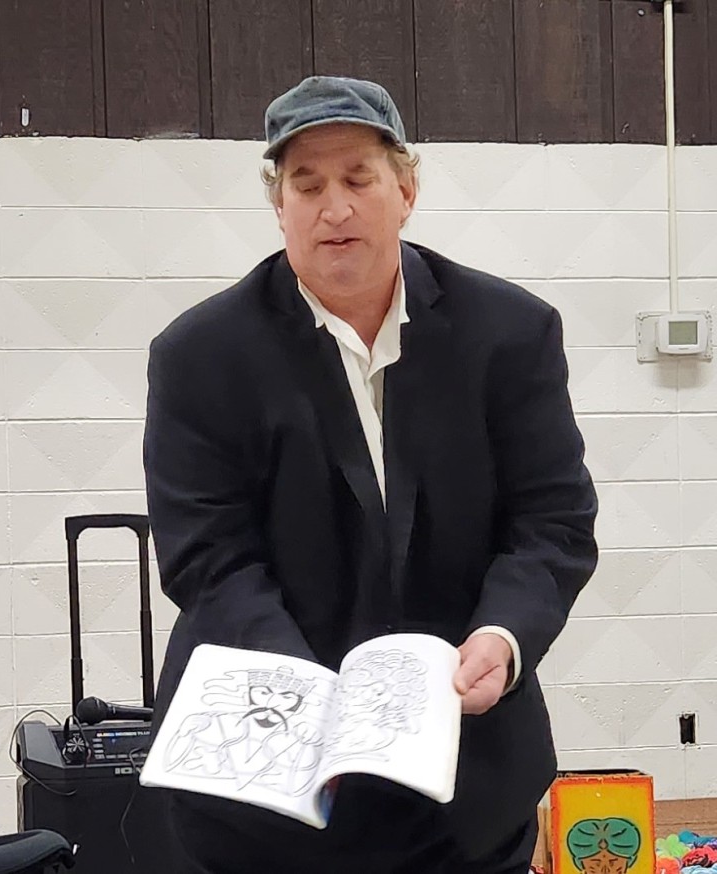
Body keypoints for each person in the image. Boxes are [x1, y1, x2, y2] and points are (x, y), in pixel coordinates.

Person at [143, 75, 598, 874]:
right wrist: (307, 696)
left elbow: (552, 523)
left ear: (406, 190)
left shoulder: (511, 333)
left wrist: (503, 636)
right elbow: (209, 558)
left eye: (358, 179)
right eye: (307, 184)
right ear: (279, 204)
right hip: (268, 791)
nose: (335, 207)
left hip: (467, 781)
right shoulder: (199, 355)